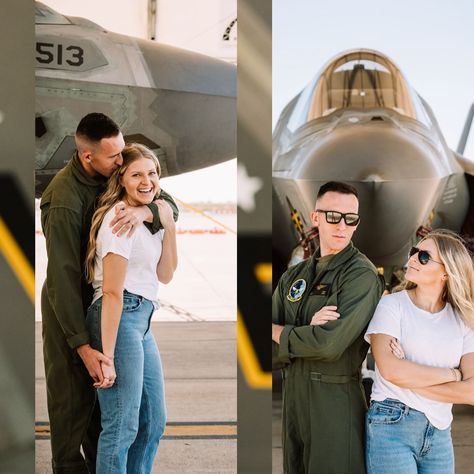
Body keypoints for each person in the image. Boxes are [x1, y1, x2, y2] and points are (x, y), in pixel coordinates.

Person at [41, 113, 178, 473]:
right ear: (89, 157)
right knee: (75, 418)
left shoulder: (118, 184)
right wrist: (87, 347)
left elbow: (165, 203)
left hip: (126, 315)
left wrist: (152, 213)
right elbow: (63, 278)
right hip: (73, 313)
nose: (122, 162)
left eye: (123, 156)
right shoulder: (65, 199)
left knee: (130, 422)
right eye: (115, 159)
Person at [272, 181, 384, 474]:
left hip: (335, 405)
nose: (342, 226)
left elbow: (328, 345)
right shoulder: (294, 277)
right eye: (333, 216)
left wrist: (280, 332)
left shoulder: (361, 275)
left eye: (351, 219)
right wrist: (306, 328)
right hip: (294, 404)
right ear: (315, 217)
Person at [84, 143, 176, 473]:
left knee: (153, 423)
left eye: (152, 174)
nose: (146, 181)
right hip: (119, 316)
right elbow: (111, 291)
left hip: (143, 318)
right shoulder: (119, 219)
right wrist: (106, 357)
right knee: (122, 426)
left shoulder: (151, 218)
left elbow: (165, 275)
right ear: (121, 178)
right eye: (137, 174)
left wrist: (168, 222)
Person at [365, 229, 474, 474]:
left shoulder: (463, 320)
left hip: (439, 432)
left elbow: (471, 391)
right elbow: (391, 370)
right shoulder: (391, 305)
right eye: (414, 252)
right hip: (391, 425)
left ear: (446, 271)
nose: (413, 258)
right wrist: (454, 374)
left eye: (424, 257)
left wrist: (409, 378)